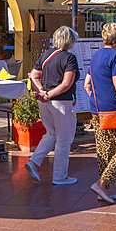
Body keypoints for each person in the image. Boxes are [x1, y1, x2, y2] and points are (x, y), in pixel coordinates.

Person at [84, 22, 116, 204]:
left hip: (96, 110)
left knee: (104, 150)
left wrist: (98, 99)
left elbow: (87, 85)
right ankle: (101, 183)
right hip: (114, 110)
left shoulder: (95, 56)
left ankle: (103, 190)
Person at [26, 26, 80, 186]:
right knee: (64, 139)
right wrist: (48, 94)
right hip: (62, 102)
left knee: (51, 134)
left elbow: (33, 75)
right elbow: (66, 83)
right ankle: (60, 176)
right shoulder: (69, 58)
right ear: (70, 41)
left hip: (45, 102)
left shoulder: (46, 55)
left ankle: (34, 162)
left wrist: (42, 91)